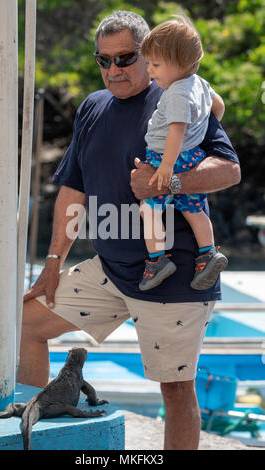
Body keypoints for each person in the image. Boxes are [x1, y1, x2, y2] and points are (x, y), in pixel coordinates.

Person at [18, 11, 241, 450]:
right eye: (104, 61)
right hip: (111, 269)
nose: (114, 70)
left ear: (147, 54)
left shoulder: (180, 97)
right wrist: (51, 264)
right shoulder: (93, 107)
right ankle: (32, 443)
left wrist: (169, 180)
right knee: (25, 325)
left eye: (125, 58)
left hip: (173, 276)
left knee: (175, 390)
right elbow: (72, 190)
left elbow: (229, 170)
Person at [138, 16, 228, 292]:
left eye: (155, 65)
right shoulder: (199, 83)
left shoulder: (177, 93)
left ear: (178, 64)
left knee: (148, 208)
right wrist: (201, 133)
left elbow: (176, 131)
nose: (150, 71)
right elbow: (218, 106)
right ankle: (208, 252)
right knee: (193, 208)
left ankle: (157, 261)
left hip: (168, 158)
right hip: (191, 156)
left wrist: (165, 167)